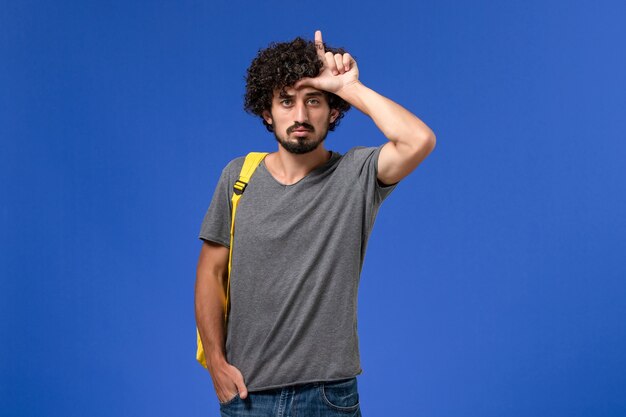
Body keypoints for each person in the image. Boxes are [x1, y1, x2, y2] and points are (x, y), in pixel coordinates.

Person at [195, 30, 436, 416]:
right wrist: (217, 369)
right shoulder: (237, 177)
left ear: (334, 111)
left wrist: (349, 86)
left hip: (327, 398)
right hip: (246, 397)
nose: (301, 116)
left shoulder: (356, 174)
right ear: (266, 111)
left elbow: (418, 140)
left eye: (314, 101)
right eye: (286, 102)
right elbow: (210, 273)